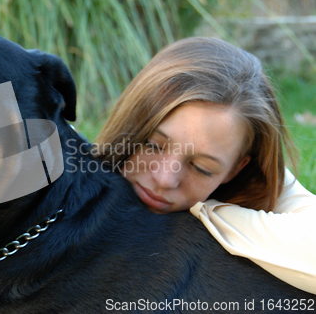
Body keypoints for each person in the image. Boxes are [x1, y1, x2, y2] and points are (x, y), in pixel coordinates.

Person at [94, 37, 316, 294]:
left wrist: (203, 212)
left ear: (236, 169)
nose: (165, 179)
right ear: (130, 123)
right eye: (152, 145)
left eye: (201, 168)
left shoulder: (250, 185)